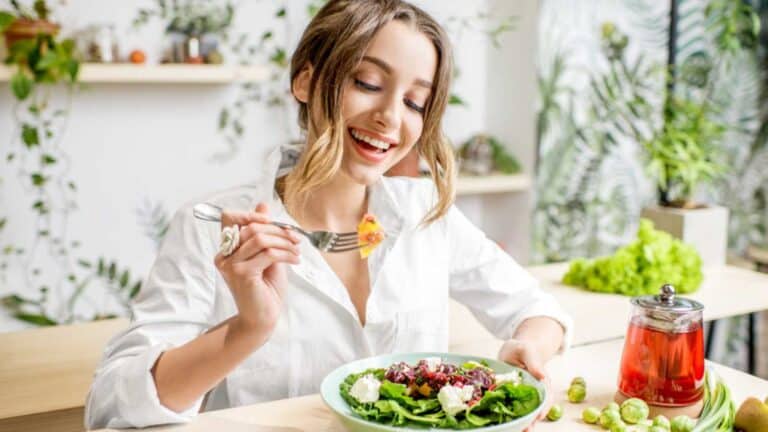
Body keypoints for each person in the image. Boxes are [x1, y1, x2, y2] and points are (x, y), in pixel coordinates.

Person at [85, 0, 573, 429]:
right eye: (367, 82)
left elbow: (537, 309)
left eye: (414, 102)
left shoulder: (426, 212)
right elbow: (112, 407)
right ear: (306, 80)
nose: (390, 117)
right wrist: (247, 328)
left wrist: (528, 350)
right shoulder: (212, 225)